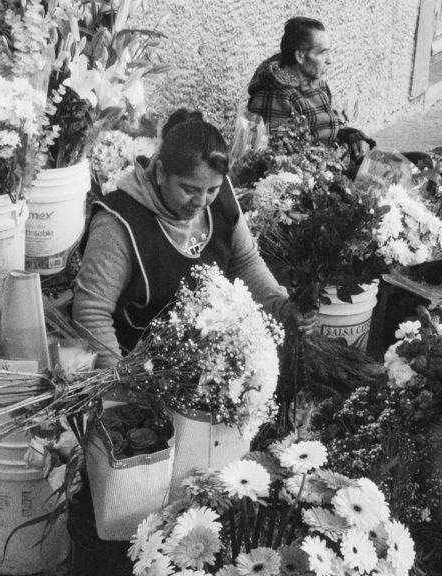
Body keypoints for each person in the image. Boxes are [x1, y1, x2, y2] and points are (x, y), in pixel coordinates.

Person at [68, 109, 315, 575]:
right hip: (143, 379)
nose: (200, 202)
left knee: (209, 494)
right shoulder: (121, 223)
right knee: (147, 508)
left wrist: (280, 305)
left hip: (211, 378)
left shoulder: (219, 205)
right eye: (188, 189)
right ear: (160, 171)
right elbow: (91, 310)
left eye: (212, 190)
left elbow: (246, 261)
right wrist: (124, 386)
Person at [247, 16, 376, 161]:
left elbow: (331, 122)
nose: (330, 60)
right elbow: (279, 161)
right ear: (300, 55)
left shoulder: (316, 82)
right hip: (315, 176)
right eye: (323, 52)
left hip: (337, 163)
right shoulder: (276, 95)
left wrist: (353, 136)